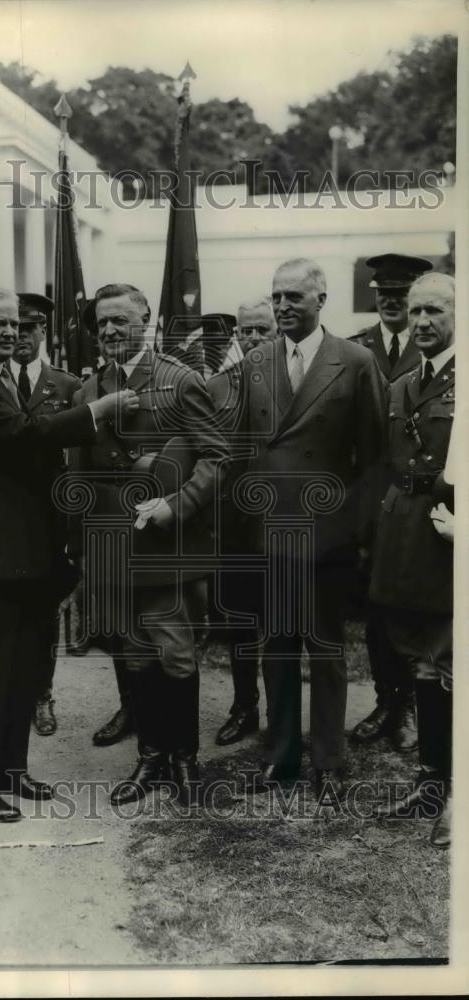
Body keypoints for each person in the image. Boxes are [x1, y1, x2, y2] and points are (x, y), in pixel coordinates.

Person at [0, 286, 138, 822]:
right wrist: (98, 410)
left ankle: (11, 772)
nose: (9, 333)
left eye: (15, 325)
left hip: (25, 550)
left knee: (23, 667)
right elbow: (24, 435)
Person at [70, 283, 229, 808]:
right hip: (112, 542)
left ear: (146, 320)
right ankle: (151, 757)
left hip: (164, 540)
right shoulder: (87, 390)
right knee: (135, 653)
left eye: (121, 320)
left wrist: (175, 507)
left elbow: (215, 457)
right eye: (102, 322)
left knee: (174, 654)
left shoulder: (179, 380)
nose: (110, 330)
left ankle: (185, 760)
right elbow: (80, 473)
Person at [234, 259, 387, 800]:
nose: (281, 307)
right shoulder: (255, 361)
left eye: (294, 297)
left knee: (324, 651)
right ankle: (282, 756)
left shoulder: (356, 361)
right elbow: (242, 453)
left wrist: (354, 531)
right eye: (276, 296)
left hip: (327, 537)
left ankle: (329, 760)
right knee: (275, 648)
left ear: (321, 299)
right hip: (270, 534)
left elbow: (374, 460)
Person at [370, 272, 455, 848]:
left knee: (453, 664)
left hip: (451, 537)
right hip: (406, 537)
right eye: (416, 311)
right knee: (422, 662)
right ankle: (431, 779)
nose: (421, 321)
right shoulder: (401, 385)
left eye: (435, 311)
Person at [348, 253, 433, 753]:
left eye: (402, 297)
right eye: (385, 296)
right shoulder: (356, 349)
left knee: (418, 606)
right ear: (376, 298)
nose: (394, 304)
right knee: (378, 607)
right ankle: (385, 701)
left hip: (417, 499)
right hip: (369, 499)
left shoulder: (436, 346)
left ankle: (414, 705)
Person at [205, 297, 278, 746]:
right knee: (240, 622)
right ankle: (244, 705)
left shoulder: (295, 381)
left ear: (277, 332)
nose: (252, 338)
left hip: (284, 521)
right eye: (245, 330)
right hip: (235, 527)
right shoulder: (218, 386)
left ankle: (283, 715)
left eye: (262, 330)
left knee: (286, 623)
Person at [9, 292, 82, 737]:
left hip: (49, 515)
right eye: (13, 328)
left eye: (29, 328)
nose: (19, 337)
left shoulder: (68, 386)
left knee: (43, 610)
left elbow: (76, 459)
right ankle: (11, 693)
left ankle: (41, 695)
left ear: (44, 332)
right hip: (3, 515)